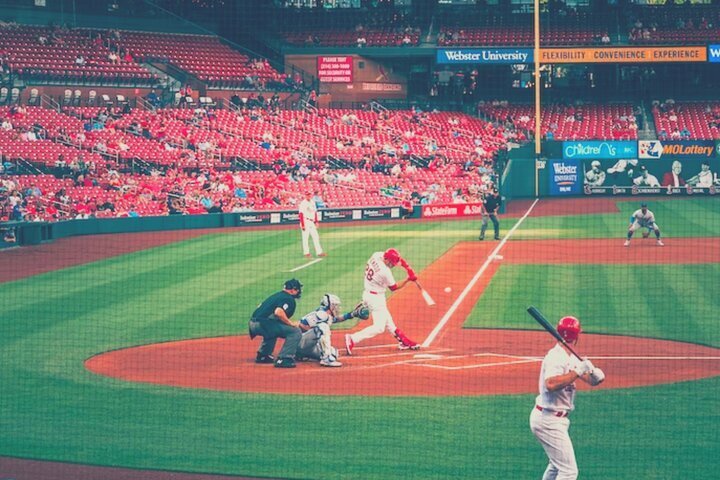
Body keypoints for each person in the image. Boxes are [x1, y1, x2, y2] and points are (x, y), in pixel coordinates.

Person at [530, 316, 605, 480]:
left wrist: (594, 375)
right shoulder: (556, 357)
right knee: (569, 472)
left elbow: (588, 379)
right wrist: (577, 372)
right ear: (576, 335)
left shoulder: (569, 356)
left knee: (556, 465)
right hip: (548, 420)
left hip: (554, 419)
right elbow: (550, 383)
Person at [344, 248, 421, 355]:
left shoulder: (377, 255)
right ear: (387, 260)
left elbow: (400, 260)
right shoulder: (385, 272)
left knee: (389, 322)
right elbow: (394, 287)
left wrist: (408, 269)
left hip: (368, 293)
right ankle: (352, 338)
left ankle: (404, 342)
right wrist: (408, 279)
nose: (393, 265)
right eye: (392, 263)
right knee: (379, 327)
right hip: (376, 299)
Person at [296, 294, 369, 367]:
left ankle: (302, 355)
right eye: (335, 305)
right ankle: (326, 359)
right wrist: (314, 331)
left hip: (309, 346)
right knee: (323, 327)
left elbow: (336, 319)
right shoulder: (321, 314)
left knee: (334, 353)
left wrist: (352, 314)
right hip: (300, 343)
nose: (337, 308)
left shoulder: (326, 315)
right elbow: (300, 325)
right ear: (329, 305)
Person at [248, 279, 304, 368]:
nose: (298, 292)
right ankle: (284, 358)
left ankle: (263, 355)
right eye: (297, 290)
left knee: (273, 328)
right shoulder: (288, 298)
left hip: (253, 324)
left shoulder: (277, 295)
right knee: (295, 331)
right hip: (262, 325)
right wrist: (290, 323)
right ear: (293, 290)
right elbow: (278, 312)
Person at [298, 191, 326, 258]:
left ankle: (319, 252)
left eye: (309, 195)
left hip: (311, 222)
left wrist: (316, 221)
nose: (308, 196)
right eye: (307, 195)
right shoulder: (303, 203)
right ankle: (306, 253)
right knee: (305, 238)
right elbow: (301, 214)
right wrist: (303, 224)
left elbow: (315, 212)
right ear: (305, 195)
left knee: (316, 236)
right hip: (305, 221)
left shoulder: (312, 202)